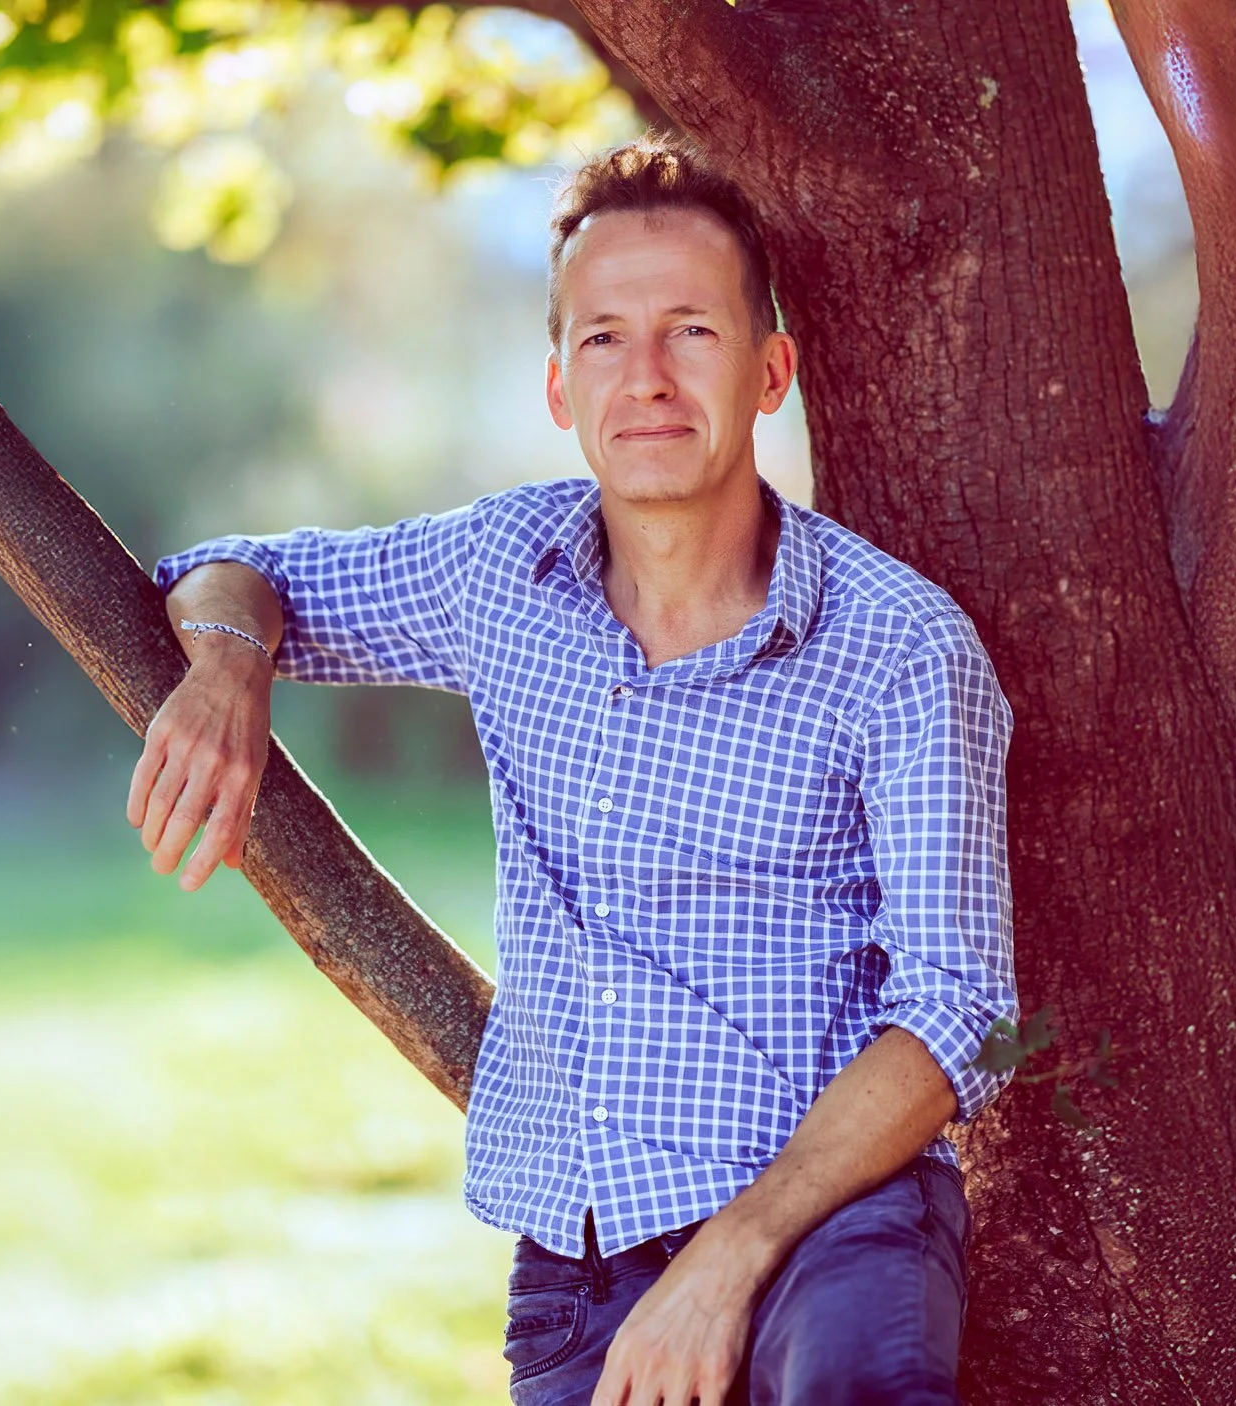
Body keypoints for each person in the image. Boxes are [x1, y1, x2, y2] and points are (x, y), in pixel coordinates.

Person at [125, 133, 1018, 1406]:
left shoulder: (897, 645)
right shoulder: (500, 571)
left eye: (690, 331)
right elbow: (231, 572)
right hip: (584, 1265)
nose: (645, 377)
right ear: (559, 384)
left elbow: (960, 1010)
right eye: (604, 338)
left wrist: (727, 1259)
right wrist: (226, 671)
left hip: (830, 1224)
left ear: (769, 370)